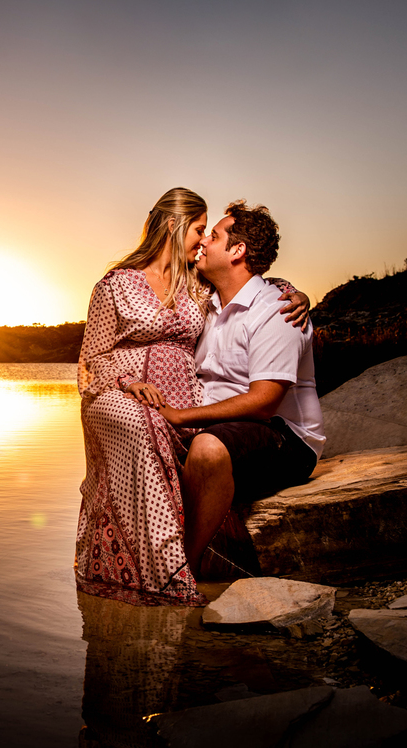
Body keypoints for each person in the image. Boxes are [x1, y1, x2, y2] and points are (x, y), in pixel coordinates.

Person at [76, 189, 308, 606]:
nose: (203, 240)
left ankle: (178, 561)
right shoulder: (115, 285)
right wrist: (128, 382)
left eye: (209, 233)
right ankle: (161, 572)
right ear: (173, 225)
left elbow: (249, 279)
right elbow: (91, 360)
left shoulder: (195, 282)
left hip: (187, 403)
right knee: (143, 423)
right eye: (200, 229)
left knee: (180, 434)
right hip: (118, 392)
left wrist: (294, 292)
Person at [158, 201, 325, 583]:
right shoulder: (206, 304)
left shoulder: (277, 310)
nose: (203, 242)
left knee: (207, 449)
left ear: (238, 250)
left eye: (213, 236)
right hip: (226, 428)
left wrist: (181, 417)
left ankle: (187, 571)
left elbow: (264, 402)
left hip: (285, 438)